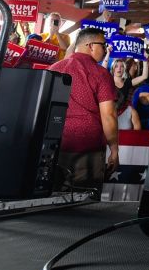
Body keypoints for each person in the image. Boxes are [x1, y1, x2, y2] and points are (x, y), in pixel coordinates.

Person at [47, 28, 119, 194]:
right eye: (103, 44)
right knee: (84, 203)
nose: (105, 49)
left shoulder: (53, 68)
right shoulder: (100, 74)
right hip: (89, 148)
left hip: (55, 145)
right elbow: (108, 115)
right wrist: (114, 149)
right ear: (91, 45)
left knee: (50, 200)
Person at [110, 58, 142, 131]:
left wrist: (145, 60)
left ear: (124, 69)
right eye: (116, 66)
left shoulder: (127, 82)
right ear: (113, 69)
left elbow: (144, 76)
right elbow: (101, 72)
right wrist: (108, 53)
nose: (119, 69)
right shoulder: (107, 82)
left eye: (121, 66)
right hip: (109, 112)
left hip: (124, 110)